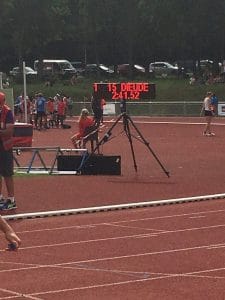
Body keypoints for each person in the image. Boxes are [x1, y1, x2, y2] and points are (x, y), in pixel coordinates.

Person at [0, 92, 17, 210]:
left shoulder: (8, 112)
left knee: (7, 174)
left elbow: (9, 131)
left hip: (5, 148)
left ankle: (11, 199)